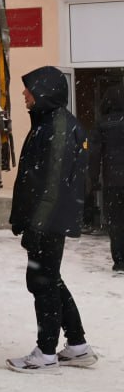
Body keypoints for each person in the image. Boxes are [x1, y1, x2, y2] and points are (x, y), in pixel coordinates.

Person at [6, 66, 97, 371]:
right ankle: (78, 345)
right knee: (49, 280)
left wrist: (37, 224)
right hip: (46, 218)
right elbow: (35, 179)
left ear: (44, 90)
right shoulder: (47, 122)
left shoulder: (59, 127)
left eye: (29, 88)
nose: (24, 94)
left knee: (43, 282)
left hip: (49, 220)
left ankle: (46, 352)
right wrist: (23, 216)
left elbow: (54, 184)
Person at [88, 83, 124, 272]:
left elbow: (94, 154)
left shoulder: (102, 124)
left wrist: (93, 180)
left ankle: (119, 260)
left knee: (116, 221)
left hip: (113, 181)